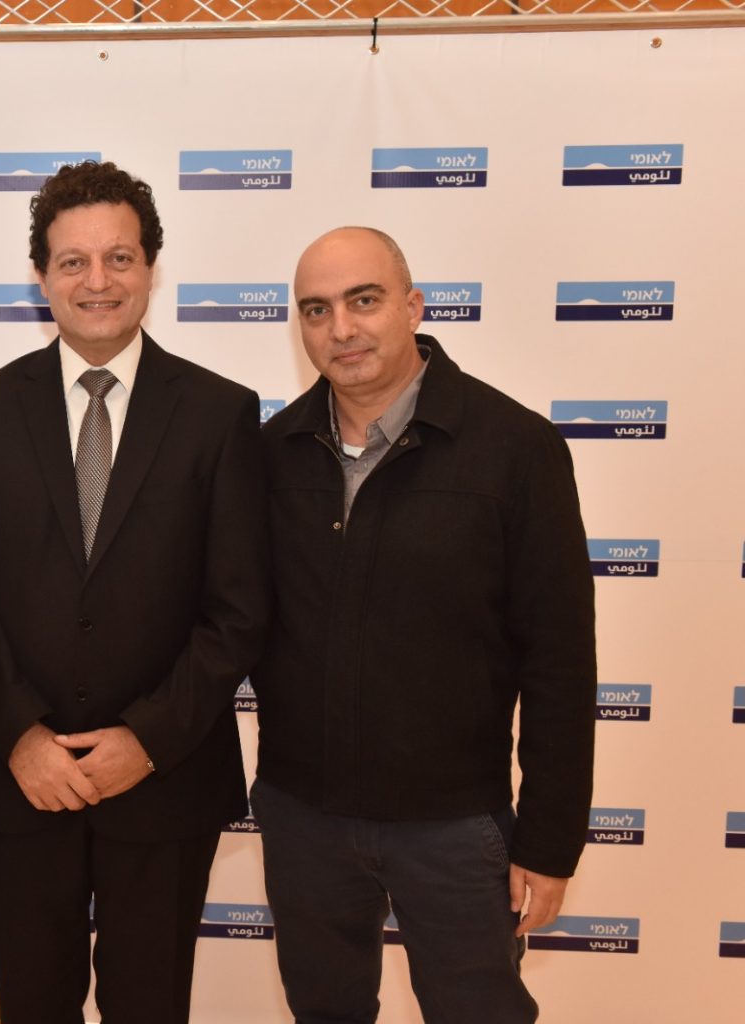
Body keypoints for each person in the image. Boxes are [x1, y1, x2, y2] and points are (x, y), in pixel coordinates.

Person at [0, 161, 268, 1023]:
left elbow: (238, 608)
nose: (97, 280)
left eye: (119, 257)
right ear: (41, 276)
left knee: (151, 1005)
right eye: (72, 261)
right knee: (32, 1004)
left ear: (151, 268)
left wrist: (147, 740)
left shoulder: (220, 412)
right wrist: (21, 735)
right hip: (18, 778)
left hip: (165, 777)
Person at [252, 226, 597, 1023]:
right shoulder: (268, 455)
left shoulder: (516, 448)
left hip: (456, 827)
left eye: (364, 301)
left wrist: (549, 842)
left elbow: (560, 661)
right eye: (316, 310)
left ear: (412, 307)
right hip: (304, 818)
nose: (341, 328)